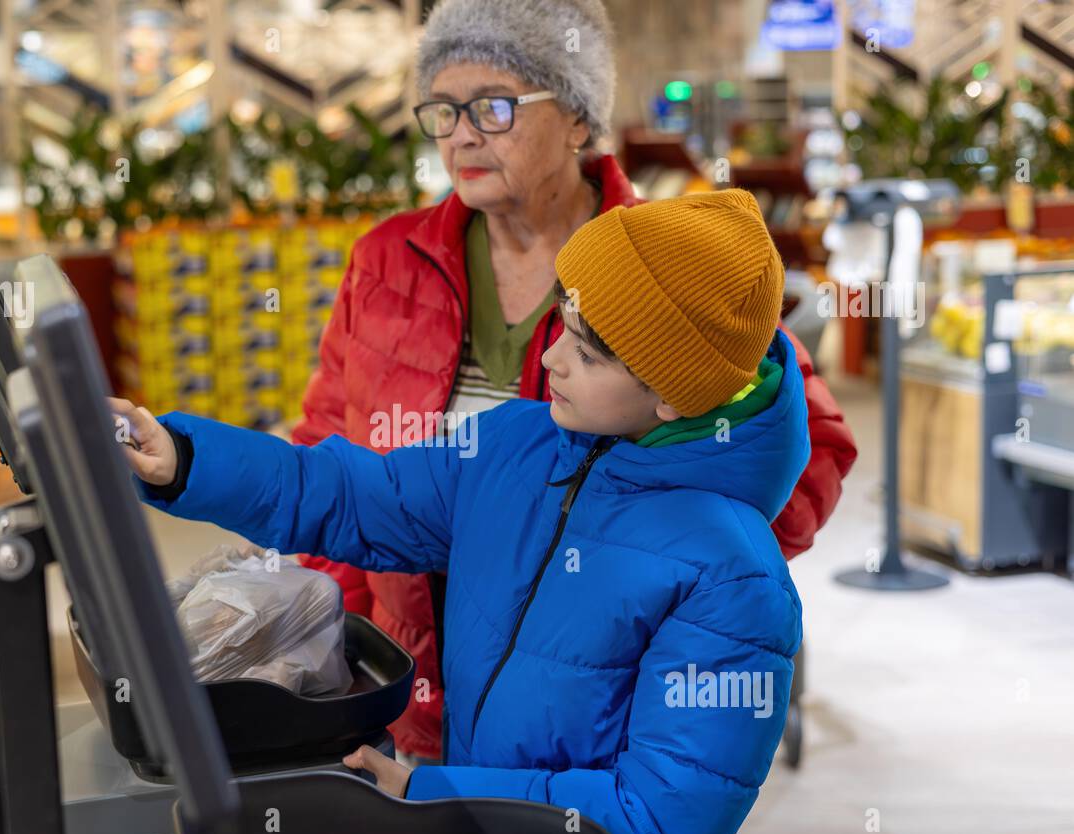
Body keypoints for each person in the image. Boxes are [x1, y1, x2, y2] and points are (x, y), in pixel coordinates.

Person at [114, 189, 811, 834]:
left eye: (589, 354)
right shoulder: (516, 444)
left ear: (672, 395)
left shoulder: (733, 580)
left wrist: (432, 792)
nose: (550, 360)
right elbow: (356, 496)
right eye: (564, 324)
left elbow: (657, 827)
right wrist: (186, 462)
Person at [289, 0, 856, 763]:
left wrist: (679, 582)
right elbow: (332, 450)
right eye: (443, 109)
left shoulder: (660, 258)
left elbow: (807, 443)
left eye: (492, 106)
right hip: (414, 691)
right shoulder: (387, 260)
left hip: (596, 712)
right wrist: (352, 650)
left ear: (580, 119)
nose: (461, 134)